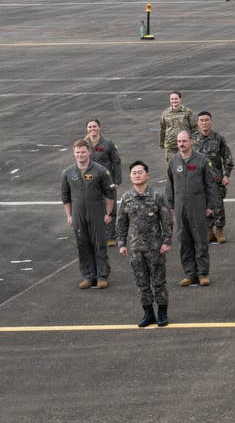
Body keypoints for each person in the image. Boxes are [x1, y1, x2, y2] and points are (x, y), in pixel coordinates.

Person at [116, 160, 173, 328]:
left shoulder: (157, 196)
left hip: (155, 248)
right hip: (135, 249)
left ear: (147, 175)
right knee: (141, 282)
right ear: (130, 176)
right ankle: (148, 313)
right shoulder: (126, 198)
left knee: (158, 281)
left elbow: (167, 220)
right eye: (134, 173)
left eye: (140, 172)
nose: (137, 175)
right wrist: (121, 243)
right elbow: (121, 222)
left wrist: (167, 241)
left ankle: (162, 312)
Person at [61, 138, 116, 290]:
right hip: (78, 215)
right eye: (77, 152)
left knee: (99, 244)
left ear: (89, 152)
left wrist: (108, 213)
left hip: (97, 213)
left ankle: (102, 276)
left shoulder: (100, 170)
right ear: (74, 153)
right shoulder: (67, 173)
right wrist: (69, 215)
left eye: (83, 152)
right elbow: (65, 196)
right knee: (82, 245)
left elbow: (110, 193)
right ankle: (88, 276)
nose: (80, 155)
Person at [167, 130, 219, 287]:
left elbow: (211, 184)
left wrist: (210, 206)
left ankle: (203, 273)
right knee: (184, 241)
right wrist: (170, 204)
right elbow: (169, 185)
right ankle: (190, 273)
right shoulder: (174, 161)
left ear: (191, 141)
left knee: (200, 240)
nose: (181, 144)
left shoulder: (202, 160)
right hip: (180, 206)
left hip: (198, 205)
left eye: (184, 141)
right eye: (179, 141)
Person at [192, 111, 234, 244]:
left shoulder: (218, 138)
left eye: (206, 120)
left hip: (215, 178)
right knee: (203, 205)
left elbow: (227, 157)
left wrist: (226, 175)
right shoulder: (193, 139)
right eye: (201, 120)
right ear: (197, 123)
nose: (204, 122)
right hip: (198, 179)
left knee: (218, 205)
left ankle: (220, 230)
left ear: (211, 121)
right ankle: (209, 231)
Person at [84, 120, 122, 247]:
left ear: (99, 128)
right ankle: (96, 235)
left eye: (94, 126)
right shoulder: (84, 144)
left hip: (107, 180)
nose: (92, 129)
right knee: (93, 208)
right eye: (90, 127)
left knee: (110, 208)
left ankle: (111, 236)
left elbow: (116, 161)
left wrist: (117, 180)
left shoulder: (108, 143)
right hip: (90, 180)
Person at [159, 91, 195, 170]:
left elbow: (194, 128)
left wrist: (193, 142)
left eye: (176, 99)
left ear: (180, 99)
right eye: (172, 99)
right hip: (170, 145)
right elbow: (163, 129)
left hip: (184, 144)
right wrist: (162, 143)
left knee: (186, 166)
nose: (174, 101)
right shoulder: (165, 113)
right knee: (171, 167)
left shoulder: (187, 112)